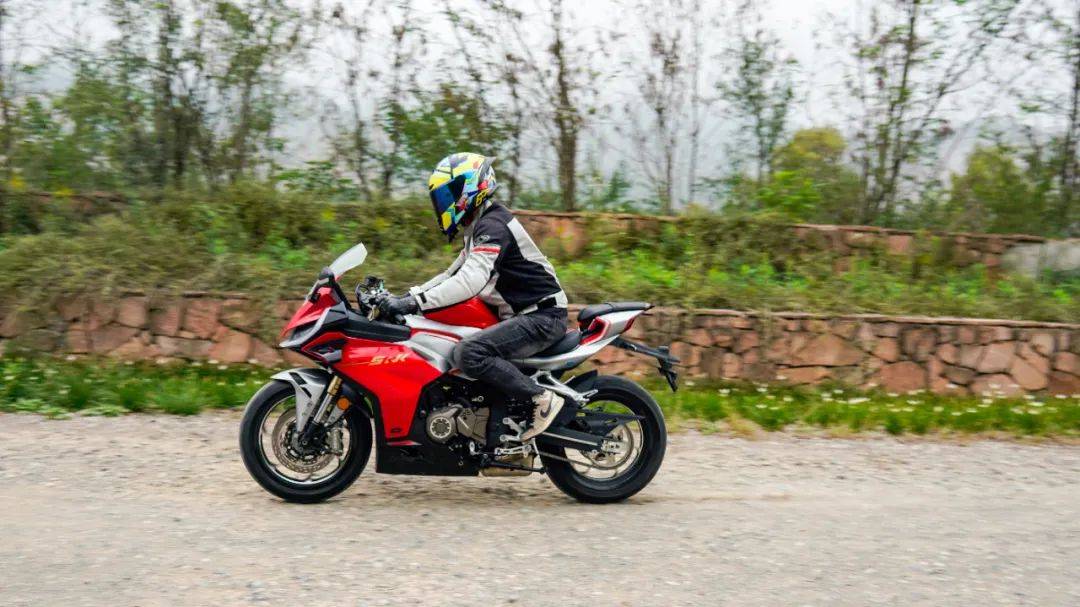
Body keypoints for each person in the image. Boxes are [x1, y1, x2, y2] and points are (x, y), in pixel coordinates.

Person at [377, 152, 567, 441]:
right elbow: (450, 275)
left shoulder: (493, 226)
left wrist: (414, 303)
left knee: (470, 353)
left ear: (468, 189)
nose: (442, 204)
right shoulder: (480, 226)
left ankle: (540, 398)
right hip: (525, 315)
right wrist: (405, 298)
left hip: (542, 317)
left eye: (447, 195)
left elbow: (469, 281)